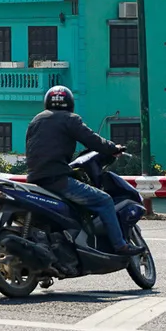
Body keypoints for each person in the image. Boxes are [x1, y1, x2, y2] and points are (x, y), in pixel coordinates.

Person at [25, 85, 145, 257]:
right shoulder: (70, 119)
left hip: (34, 180)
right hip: (57, 179)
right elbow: (91, 139)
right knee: (104, 200)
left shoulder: (36, 120)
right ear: (70, 103)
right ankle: (120, 246)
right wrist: (113, 148)